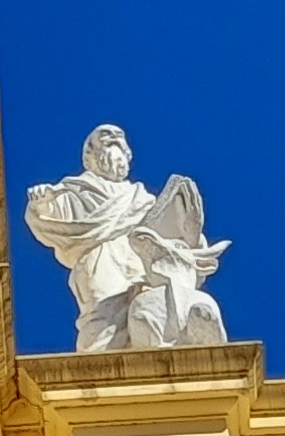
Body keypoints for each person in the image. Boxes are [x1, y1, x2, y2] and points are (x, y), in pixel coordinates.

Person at [22, 125, 230, 350]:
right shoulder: (73, 191)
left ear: (128, 157)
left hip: (141, 258)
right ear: (90, 157)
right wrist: (41, 203)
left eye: (120, 146)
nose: (115, 147)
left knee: (154, 305)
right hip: (100, 262)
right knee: (104, 322)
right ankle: (101, 372)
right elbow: (48, 222)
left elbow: (177, 243)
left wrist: (192, 232)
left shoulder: (142, 198)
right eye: (106, 143)